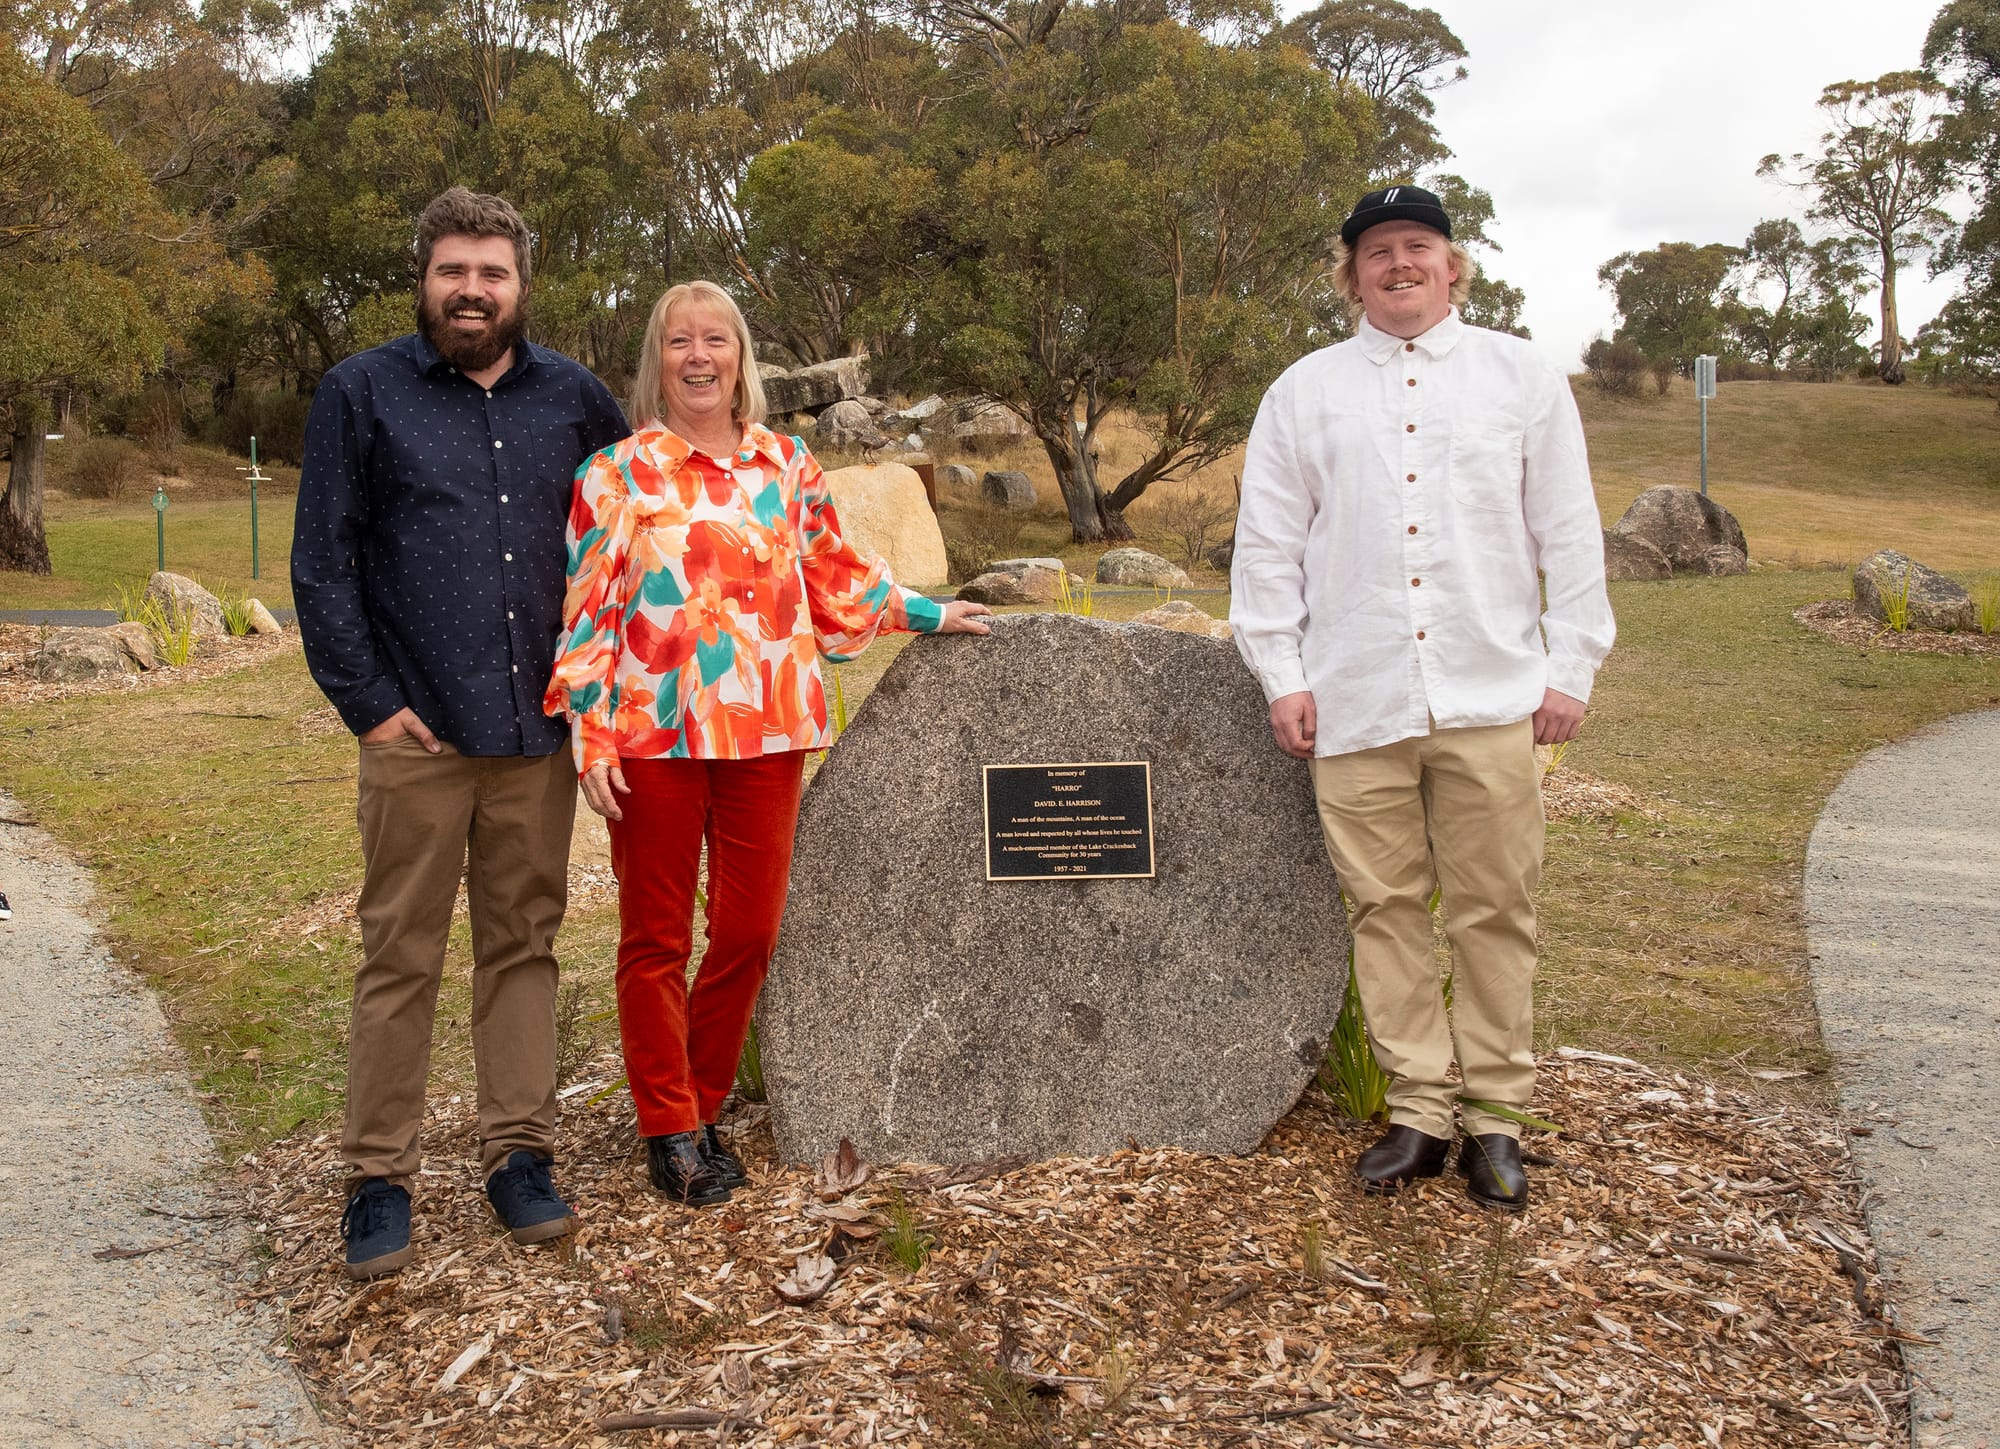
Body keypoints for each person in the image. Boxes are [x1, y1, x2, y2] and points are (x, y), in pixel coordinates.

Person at [545, 281, 990, 1206]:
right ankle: (670, 1127)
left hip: (769, 731)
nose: (699, 357)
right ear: (656, 360)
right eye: (679, 342)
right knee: (654, 939)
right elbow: (586, 612)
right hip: (654, 736)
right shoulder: (615, 474)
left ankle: (704, 1103)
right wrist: (589, 729)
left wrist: (930, 611)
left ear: (742, 357)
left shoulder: (786, 466)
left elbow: (836, 581)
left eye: (716, 340)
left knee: (749, 931)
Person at [1231, 184, 1615, 1211]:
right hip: (1356, 700)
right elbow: (1266, 548)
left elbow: (1565, 532)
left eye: (1417, 248)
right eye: (1375, 252)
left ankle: (1494, 1118)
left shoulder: (1518, 378)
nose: (1397, 265)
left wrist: (1568, 665)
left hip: (1488, 696)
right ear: (1350, 274)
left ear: (1452, 266)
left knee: (1495, 912)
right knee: (1384, 910)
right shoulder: (1302, 393)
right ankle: (1419, 1112)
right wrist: (1283, 674)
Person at [293, 187, 629, 1279]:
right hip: (416, 735)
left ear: (521, 283)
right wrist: (369, 703)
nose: (471, 291)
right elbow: (323, 563)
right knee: (398, 955)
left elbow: (634, 547)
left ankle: (516, 1158)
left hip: (536, 733)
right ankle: (377, 1177)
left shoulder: (576, 400)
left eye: (491, 273)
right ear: (423, 278)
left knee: (521, 948)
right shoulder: (361, 393)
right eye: (453, 271)